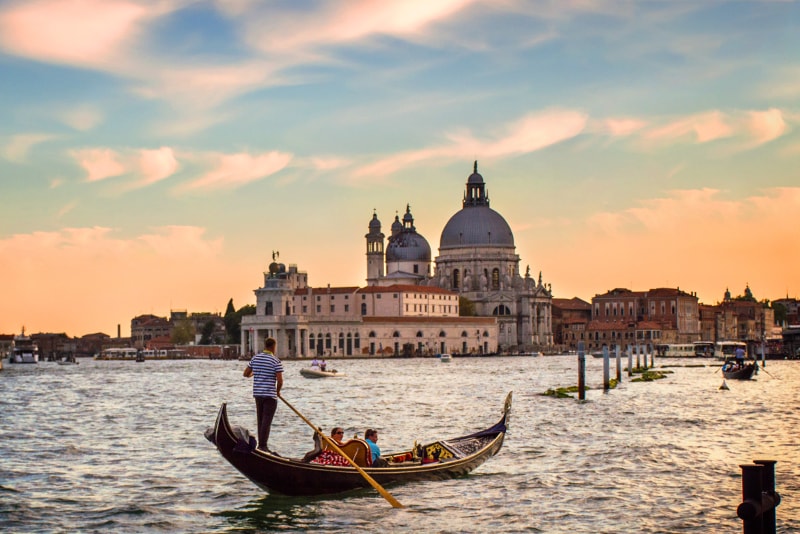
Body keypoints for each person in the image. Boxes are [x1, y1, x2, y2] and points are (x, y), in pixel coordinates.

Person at [243, 337, 284, 452]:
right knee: (266, 421)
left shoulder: (255, 358)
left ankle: (261, 446)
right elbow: (280, 380)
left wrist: (253, 374)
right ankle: (263, 446)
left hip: (258, 394)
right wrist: (278, 391)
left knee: (260, 420)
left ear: (265, 346)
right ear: (273, 347)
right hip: (270, 395)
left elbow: (245, 374)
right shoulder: (275, 361)